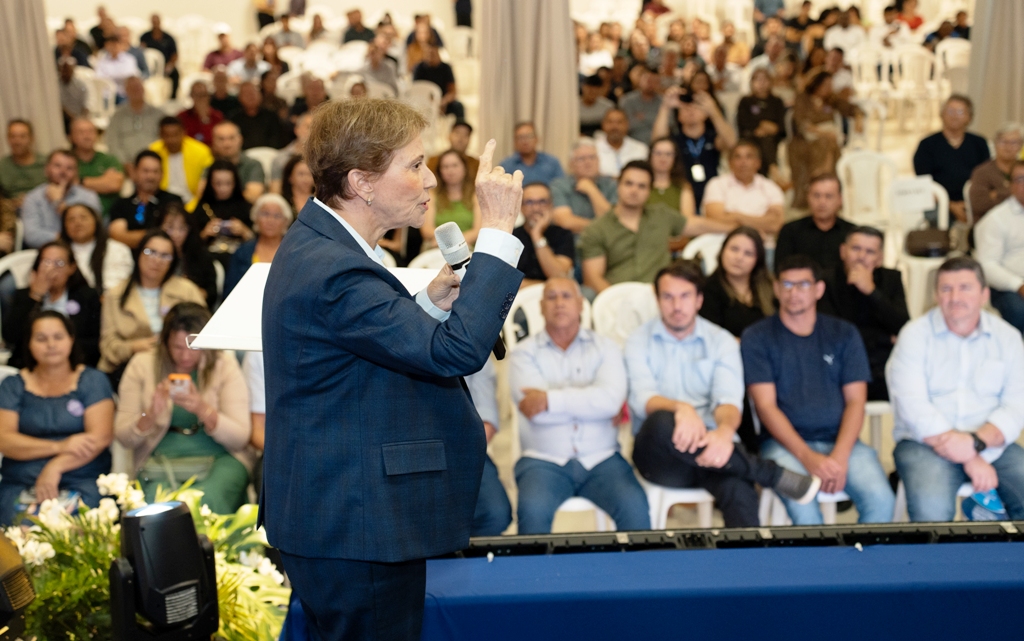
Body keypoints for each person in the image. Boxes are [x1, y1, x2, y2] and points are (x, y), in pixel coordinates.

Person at [260, 98, 524, 640]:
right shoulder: (335, 269)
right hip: (354, 524)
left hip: (339, 514)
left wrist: (426, 303)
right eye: (414, 165)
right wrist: (496, 229)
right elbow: (455, 352)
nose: (430, 179)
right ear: (362, 182)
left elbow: (359, 347)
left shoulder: (323, 243)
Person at [628, 261, 818, 527]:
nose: (676, 306)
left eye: (685, 296)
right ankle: (770, 474)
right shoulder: (639, 340)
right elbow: (641, 398)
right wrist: (683, 409)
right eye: (668, 297)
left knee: (740, 493)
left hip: (718, 454)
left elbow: (728, 400)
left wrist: (724, 433)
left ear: (699, 300)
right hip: (661, 459)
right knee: (661, 421)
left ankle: (746, 568)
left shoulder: (722, 341)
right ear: (657, 299)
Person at [743, 255, 895, 524]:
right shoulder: (757, 337)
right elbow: (765, 407)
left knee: (882, 501)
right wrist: (808, 457)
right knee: (804, 510)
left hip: (843, 443)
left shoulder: (844, 333)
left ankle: (859, 567)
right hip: (783, 448)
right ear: (776, 289)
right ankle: (820, 567)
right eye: (787, 284)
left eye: (803, 285)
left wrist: (839, 455)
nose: (794, 293)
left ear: (818, 289)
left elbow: (856, 402)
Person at [888, 256, 1024, 522]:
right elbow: (912, 406)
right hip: (924, 444)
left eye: (965, 288)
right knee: (932, 514)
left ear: (984, 294)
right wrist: (971, 457)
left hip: (992, 443)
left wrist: (975, 443)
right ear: (936, 295)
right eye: (946, 289)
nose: (955, 297)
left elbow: (1017, 405)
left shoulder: (1008, 338)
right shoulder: (914, 335)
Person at [511, 277, 649, 533]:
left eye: (566, 296)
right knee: (532, 512)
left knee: (635, 508)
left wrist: (549, 399)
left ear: (581, 304)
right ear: (541, 307)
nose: (559, 303)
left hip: (603, 458)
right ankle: (536, 575)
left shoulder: (607, 348)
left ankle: (636, 574)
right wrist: (591, 400)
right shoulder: (523, 353)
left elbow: (610, 401)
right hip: (543, 460)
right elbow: (534, 413)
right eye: (551, 297)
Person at [115, 302, 252, 512]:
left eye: (194, 347)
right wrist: (150, 414)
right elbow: (123, 436)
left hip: (220, 458)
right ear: (164, 342)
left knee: (210, 497)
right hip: (159, 460)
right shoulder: (142, 364)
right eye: (177, 347)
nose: (185, 356)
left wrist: (202, 409)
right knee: (160, 506)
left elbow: (241, 437)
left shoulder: (223, 365)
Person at [0, 310, 114, 526]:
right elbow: (5, 440)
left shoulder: (92, 381)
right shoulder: (12, 386)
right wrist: (61, 446)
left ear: (71, 339)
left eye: (58, 337)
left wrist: (55, 467)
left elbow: (99, 438)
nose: (51, 344)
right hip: (21, 482)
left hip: (82, 480)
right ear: (29, 344)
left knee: (79, 529)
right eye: (41, 338)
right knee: (21, 532)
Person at [580, 160, 732, 294]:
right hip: (617, 296)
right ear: (618, 185)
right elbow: (592, 278)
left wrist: (735, 228)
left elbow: (699, 225)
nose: (634, 190)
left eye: (642, 186)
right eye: (628, 183)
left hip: (662, 295)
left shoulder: (661, 215)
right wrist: (619, 301)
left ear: (649, 191)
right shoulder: (597, 228)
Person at [699, 227, 775, 452]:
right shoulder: (708, 290)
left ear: (758, 259)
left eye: (748, 253)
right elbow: (711, 335)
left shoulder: (768, 288)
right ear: (722, 251)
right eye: (734, 249)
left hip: (767, 357)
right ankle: (750, 452)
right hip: (729, 360)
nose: (738, 257)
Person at [98, 230, 207, 381]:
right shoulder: (115, 295)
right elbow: (108, 346)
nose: (157, 260)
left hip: (182, 360)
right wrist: (134, 347)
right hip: (131, 365)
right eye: (151, 252)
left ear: (172, 261)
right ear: (138, 254)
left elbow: (206, 330)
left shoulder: (187, 290)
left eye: (165, 255)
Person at [819, 226, 908, 401]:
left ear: (879, 258)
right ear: (843, 251)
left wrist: (872, 291)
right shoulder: (825, 280)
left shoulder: (892, 279)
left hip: (881, 365)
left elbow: (903, 327)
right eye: (856, 249)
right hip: (837, 362)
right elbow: (831, 333)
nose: (861, 257)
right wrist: (884, 338)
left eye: (870, 252)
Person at [5, 241, 101, 368]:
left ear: (71, 268)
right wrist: (35, 296)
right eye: (46, 262)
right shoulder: (24, 296)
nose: (51, 269)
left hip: (74, 366)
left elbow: (96, 342)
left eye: (59, 263)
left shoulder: (87, 296)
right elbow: (10, 337)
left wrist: (59, 352)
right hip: (30, 366)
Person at [651, 86, 736, 211]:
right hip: (681, 190)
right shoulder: (675, 140)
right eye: (685, 108)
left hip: (712, 192)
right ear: (678, 117)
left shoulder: (712, 137)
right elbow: (656, 143)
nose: (690, 111)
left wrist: (713, 110)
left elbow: (732, 143)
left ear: (705, 114)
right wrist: (665, 107)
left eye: (695, 107)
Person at [789, 71, 862, 209]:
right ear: (817, 84)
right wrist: (824, 133)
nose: (828, 88)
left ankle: (823, 184)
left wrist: (859, 119)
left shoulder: (831, 99)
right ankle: (824, 184)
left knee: (829, 144)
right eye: (826, 85)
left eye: (830, 85)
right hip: (806, 140)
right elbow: (803, 124)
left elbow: (851, 108)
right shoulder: (803, 98)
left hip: (828, 139)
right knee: (828, 143)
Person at [913, 95, 990, 225]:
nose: (955, 116)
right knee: (937, 217)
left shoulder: (979, 143)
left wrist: (969, 203)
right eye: (950, 111)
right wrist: (951, 205)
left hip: (973, 199)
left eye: (960, 112)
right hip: (937, 201)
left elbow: (986, 176)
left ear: (969, 117)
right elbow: (923, 181)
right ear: (942, 114)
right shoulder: (927, 145)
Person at [464, 357, 513, 536]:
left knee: (496, 513)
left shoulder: (471, 348)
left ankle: (470, 562)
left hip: (465, 450)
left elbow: (488, 423)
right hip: (409, 452)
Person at [703, 141, 785, 246]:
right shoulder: (717, 184)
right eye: (738, 157)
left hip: (763, 247)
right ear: (730, 162)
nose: (743, 162)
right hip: (723, 244)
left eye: (749, 157)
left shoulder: (771, 188)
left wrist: (737, 216)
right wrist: (760, 223)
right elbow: (714, 219)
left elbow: (776, 224)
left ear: (758, 163)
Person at [975, 161, 1024, 333]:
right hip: (1009, 286)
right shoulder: (996, 220)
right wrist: (1019, 285)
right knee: (1019, 312)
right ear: (1010, 185)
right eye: (1020, 179)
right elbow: (987, 266)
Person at [775, 173, 856, 272]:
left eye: (828, 196)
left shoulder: (852, 233)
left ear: (840, 199)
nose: (822, 202)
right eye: (816, 196)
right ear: (808, 197)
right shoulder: (790, 231)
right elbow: (781, 269)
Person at [21, 150, 101, 249]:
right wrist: (67, 238)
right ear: (46, 169)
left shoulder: (88, 196)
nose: (63, 172)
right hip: (46, 255)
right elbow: (32, 237)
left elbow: (96, 230)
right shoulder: (33, 198)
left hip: (84, 250)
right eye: (57, 166)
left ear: (76, 172)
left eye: (69, 168)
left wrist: (58, 204)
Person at [109, 150, 185, 249]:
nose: (150, 176)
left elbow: (174, 235)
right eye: (146, 171)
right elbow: (117, 236)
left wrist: (131, 236)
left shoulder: (173, 201)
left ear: (162, 174)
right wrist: (157, 232)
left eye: (155, 171)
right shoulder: (122, 204)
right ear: (135, 172)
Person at [224, 194, 293, 297]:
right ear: (255, 218)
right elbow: (230, 290)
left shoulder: (293, 253)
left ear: (286, 221)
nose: (270, 220)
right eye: (265, 214)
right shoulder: (242, 252)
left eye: (277, 216)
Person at [60, 203, 135, 294]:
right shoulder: (58, 252)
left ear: (95, 221)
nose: (78, 223)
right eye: (71, 219)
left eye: (83, 217)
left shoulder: (117, 249)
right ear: (64, 226)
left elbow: (120, 284)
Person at [158, 202, 219, 309]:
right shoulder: (151, 254)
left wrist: (190, 290)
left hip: (191, 308)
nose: (176, 234)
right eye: (169, 228)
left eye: (182, 229)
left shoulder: (200, 255)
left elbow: (211, 292)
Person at [550, 138, 617, 234]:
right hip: (574, 245)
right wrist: (603, 227)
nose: (588, 163)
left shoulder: (611, 184)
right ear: (571, 164)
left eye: (592, 157)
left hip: (607, 246)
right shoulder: (559, 186)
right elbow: (565, 221)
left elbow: (614, 221)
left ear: (598, 161)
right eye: (581, 159)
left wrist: (592, 190)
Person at [513, 183, 574, 287]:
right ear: (521, 207)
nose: (536, 208)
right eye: (529, 202)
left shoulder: (563, 235)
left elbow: (559, 275)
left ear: (551, 205)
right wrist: (544, 285)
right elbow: (506, 282)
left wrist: (537, 235)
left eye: (542, 201)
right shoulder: (511, 236)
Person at [195, 160, 255, 260]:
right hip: (209, 259)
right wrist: (204, 234)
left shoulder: (246, 208)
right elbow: (191, 244)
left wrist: (245, 231)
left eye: (228, 183)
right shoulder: (202, 208)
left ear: (235, 183)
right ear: (210, 183)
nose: (223, 188)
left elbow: (260, 241)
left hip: (241, 259)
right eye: (218, 183)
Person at [421, 150, 482, 247]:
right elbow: (427, 230)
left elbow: (478, 230)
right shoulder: (432, 195)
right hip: (438, 248)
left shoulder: (475, 196)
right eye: (445, 167)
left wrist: (455, 242)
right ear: (440, 171)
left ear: (464, 168)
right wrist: (449, 242)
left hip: (468, 248)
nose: (450, 171)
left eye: (455, 165)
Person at [148, 117, 214, 205]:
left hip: (193, 201)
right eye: (167, 135)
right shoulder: (153, 152)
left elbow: (207, 176)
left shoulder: (201, 151)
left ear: (184, 133)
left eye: (175, 135)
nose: (172, 140)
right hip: (162, 202)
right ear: (160, 135)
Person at [106, 76, 165, 170]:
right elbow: (112, 142)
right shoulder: (117, 116)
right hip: (125, 166)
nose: (136, 91)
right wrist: (126, 164)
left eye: (138, 87)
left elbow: (164, 140)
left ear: (143, 89)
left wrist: (151, 162)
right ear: (126, 91)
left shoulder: (158, 114)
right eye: (132, 88)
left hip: (154, 165)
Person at [68, 118, 124, 216]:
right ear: (71, 137)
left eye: (91, 131)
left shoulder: (109, 160)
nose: (87, 136)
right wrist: (102, 182)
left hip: (109, 216)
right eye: (81, 132)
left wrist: (79, 182)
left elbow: (114, 185)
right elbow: (65, 185)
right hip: (77, 217)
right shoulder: (67, 161)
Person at [969, 123, 1024, 221]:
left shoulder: (1021, 169)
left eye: (1014, 142)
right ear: (995, 144)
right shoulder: (982, 172)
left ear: (1020, 146)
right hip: (990, 223)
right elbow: (979, 205)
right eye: (1003, 142)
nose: (1008, 147)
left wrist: (997, 194)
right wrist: (1015, 193)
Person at [737, 68, 786, 177]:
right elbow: (743, 123)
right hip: (750, 136)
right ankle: (773, 170)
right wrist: (761, 125)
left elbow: (782, 125)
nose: (761, 83)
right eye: (758, 80)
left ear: (770, 82)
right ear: (752, 83)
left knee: (766, 140)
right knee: (762, 142)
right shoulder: (746, 101)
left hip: (774, 138)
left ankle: (765, 175)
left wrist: (772, 128)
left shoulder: (777, 101)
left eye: (765, 80)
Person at [200, 122, 266, 203]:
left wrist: (220, 195)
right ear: (213, 142)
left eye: (231, 138)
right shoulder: (211, 166)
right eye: (221, 139)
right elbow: (201, 193)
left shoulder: (253, 165)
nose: (227, 144)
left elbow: (253, 196)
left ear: (240, 139)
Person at [498, 122, 564, 187]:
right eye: (520, 137)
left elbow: (561, 188)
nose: (525, 141)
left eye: (529, 136)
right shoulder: (506, 165)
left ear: (537, 139)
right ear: (515, 142)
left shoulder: (552, 163)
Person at [412, 45, 465, 121]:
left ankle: (459, 130)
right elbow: (416, 89)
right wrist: (432, 103)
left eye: (433, 54)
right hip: (424, 101)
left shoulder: (446, 68)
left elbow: (452, 91)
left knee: (458, 107)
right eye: (428, 53)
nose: (430, 56)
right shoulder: (419, 68)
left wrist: (443, 102)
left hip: (443, 101)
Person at [647, 137, 696, 218]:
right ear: (650, 156)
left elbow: (687, 220)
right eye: (658, 153)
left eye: (668, 154)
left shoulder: (683, 187)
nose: (663, 158)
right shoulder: (641, 184)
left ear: (675, 158)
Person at [0, 120, 47, 203]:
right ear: (7, 138)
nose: (17, 141)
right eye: (12, 136)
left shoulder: (46, 163)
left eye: (22, 136)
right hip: (13, 211)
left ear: (32, 138)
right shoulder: (2, 166)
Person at [595, 109, 649, 179]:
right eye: (610, 122)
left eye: (619, 122)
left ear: (627, 124)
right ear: (603, 124)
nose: (614, 127)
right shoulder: (593, 149)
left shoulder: (640, 149)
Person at [231, 83, 287, 150]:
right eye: (247, 94)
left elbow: (279, 139)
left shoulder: (272, 116)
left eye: (253, 93)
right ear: (239, 98)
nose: (251, 96)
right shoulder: (234, 119)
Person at [618, 67, 662, 145]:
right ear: (640, 80)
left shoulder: (663, 102)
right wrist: (656, 119)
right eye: (648, 80)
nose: (650, 84)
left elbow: (670, 124)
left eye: (655, 81)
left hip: (658, 143)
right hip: (632, 142)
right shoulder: (627, 100)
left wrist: (644, 117)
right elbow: (626, 125)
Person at [140, 14, 179, 99]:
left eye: (156, 21)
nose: (155, 23)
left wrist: (170, 65)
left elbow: (175, 54)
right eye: (153, 22)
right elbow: (141, 51)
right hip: (150, 66)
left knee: (176, 74)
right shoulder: (145, 37)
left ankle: (173, 97)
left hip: (166, 65)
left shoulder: (169, 38)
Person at [270, 113, 312, 194]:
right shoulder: (280, 158)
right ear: (296, 129)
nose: (312, 132)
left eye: (317, 129)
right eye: (308, 127)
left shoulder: (327, 159)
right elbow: (275, 192)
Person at [177, 81, 224, 146]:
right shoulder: (182, 117)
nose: (200, 99)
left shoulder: (217, 116)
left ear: (209, 96)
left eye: (203, 95)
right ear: (191, 96)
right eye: (196, 95)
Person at [95, 34, 140, 101]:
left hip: (124, 92)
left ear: (121, 45)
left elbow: (129, 75)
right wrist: (117, 76)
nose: (114, 47)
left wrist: (110, 77)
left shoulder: (129, 59)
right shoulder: (102, 60)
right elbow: (98, 77)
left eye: (116, 44)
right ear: (106, 46)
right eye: (111, 45)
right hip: (107, 93)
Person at [58, 57, 90, 133]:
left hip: (79, 116)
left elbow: (87, 102)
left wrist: (83, 118)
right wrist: (72, 118)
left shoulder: (81, 85)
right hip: (62, 118)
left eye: (68, 69)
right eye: (64, 69)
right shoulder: (55, 85)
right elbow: (58, 105)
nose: (65, 72)